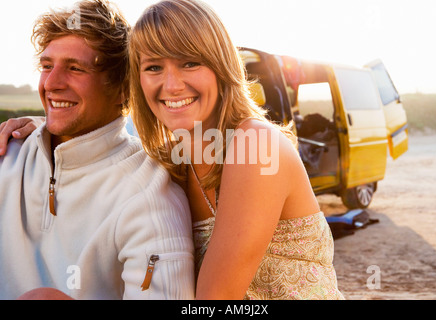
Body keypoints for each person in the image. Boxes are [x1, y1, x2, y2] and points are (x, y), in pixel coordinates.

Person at [2, 0, 344, 300]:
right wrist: (48, 128)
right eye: (154, 67)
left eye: (189, 63)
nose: (171, 84)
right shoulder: (172, 162)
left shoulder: (255, 145)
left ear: (221, 66)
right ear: (136, 82)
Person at [0, 0, 195, 300]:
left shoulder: (150, 195)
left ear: (122, 90)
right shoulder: (8, 152)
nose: (51, 83)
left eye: (75, 68)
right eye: (47, 66)